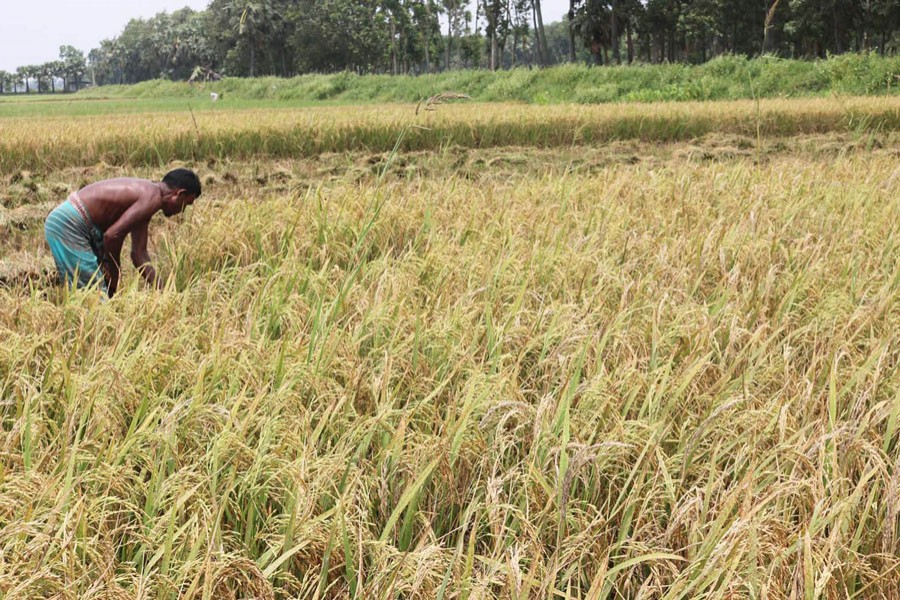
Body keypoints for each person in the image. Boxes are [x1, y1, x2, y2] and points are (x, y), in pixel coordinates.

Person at [44, 168, 201, 297]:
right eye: (185, 205)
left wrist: (165, 293)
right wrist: (115, 271)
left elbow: (139, 254)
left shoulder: (149, 196)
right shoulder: (152, 198)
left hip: (78, 224)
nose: (182, 211)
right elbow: (112, 236)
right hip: (70, 224)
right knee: (94, 296)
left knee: (100, 288)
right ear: (179, 194)